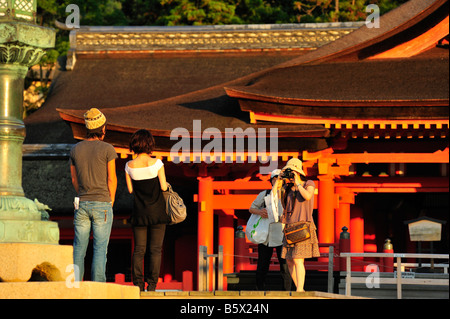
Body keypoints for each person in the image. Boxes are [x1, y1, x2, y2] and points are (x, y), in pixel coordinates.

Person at [70, 108, 118, 282]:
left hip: (82, 203)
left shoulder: (75, 149)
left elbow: (74, 178)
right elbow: (112, 178)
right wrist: (110, 200)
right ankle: (98, 288)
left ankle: (74, 284)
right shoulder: (108, 149)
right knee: (100, 248)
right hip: (102, 204)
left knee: (78, 248)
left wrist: (83, 194)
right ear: (102, 128)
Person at [125, 129, 169, 291]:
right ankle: (152, 285)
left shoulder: (128, 166)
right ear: (150, 144)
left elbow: (130, 190)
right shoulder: (157, 163)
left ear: (134, 145)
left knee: (139, 249)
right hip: (157, 211)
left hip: (139, 212)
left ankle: (137, 284)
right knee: (156, 249)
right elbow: (164, 186)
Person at [276, 158, 320, 292]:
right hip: (289, 226)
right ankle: (299, 288)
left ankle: (300, 289)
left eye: (292, 171)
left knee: (298, 259)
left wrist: (298, 184)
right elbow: (276, 197)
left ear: (298, 172)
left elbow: (307, 196)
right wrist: (279, 181)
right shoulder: (287, 188)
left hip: (303, 226)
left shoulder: (308, 183)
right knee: (289, 261)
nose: (291, 174)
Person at [249, 169, 292, 291]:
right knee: (263, 264)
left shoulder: (287, 194)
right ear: (271, 180)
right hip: (266, 235)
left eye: (280, 179)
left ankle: (287, 291)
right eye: (275, 179)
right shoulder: (264, 194)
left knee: (285, 265)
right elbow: (251, 208)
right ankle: (259, 289)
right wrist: (260, 211)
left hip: (282, 234)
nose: (277, 182)